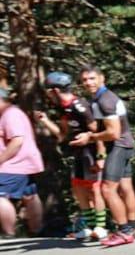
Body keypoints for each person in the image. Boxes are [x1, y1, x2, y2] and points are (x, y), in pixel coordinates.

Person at [36, 71, 108, 241]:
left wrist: (100, 155)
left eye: (48, 90)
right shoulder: (64, 107)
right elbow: (62, 135)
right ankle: (89, 227)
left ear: (54, 90)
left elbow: (96, 130)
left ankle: (101, 226)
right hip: (77, 154)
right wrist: (45, 120)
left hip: (90, 152)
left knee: (94, 189)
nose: (47, 95)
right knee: (78, 188)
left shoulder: (79, 105)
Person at [76, 67, 135, 247]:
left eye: (92, 78)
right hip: (125, 144)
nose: (89, 82)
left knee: (107, 189)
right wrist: (101, 152)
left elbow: (113, 132)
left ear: (102, 78)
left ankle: (124, 231)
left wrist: (90, 137)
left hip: (118, 145)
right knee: (126, 186)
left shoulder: (105, 101)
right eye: (85, 80)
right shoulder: (101, 98)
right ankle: (132, 227)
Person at [0, 85, 45, 236]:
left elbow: (17, 140)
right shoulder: (9, 114)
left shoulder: (11, 114)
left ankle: (8, 234)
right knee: (29, 195)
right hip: (24, 164)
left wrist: (1, 159)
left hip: (13, 164)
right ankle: (37, 230)